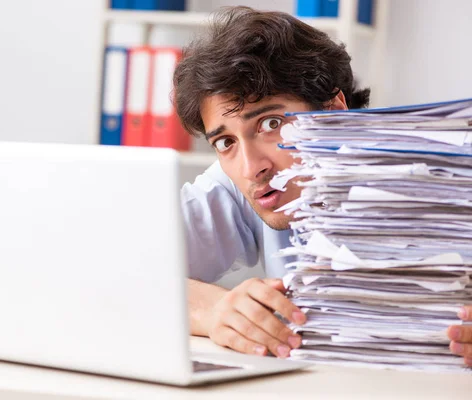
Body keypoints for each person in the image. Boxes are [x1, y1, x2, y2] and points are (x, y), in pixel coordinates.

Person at [173, 6, 472, 366]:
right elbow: (112, 265)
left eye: (270, 124)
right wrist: (212, 309)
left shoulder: (446, 179)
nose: (252, 168)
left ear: (333, 111)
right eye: (225, 142)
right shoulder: (242, 181)